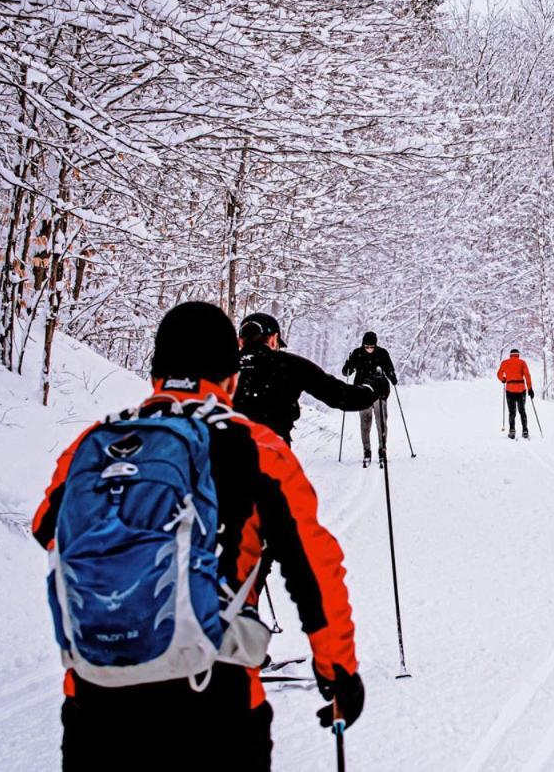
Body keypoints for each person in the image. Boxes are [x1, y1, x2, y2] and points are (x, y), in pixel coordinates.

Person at [32, 302, 365, 771]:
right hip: (214, 698)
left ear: (156, 374)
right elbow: (313, 568)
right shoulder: (257, 447)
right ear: (231, 377)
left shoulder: (97, 441)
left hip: (95, 698)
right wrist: (337, 671)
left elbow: (46, 526)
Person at [234, 312, 380, 445]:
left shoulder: (218, 367)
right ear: (274, 339)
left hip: (221, 454)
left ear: (240, 341)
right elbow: (340, 396)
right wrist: (372, 388)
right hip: (272, 453)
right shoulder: (291, 365)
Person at [342, 331, 398, 468]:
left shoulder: (382, 353)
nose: (369, 349)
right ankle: (366, 451)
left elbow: (389, 368)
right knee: (365, 424)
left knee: (381, 423)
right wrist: (348, 364)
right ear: (363, 345)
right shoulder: (357, 353)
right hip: (362, 393)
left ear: (375, 344)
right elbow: (346, 372)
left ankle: (382, 450)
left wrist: (392, 377)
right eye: (367, 347)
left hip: (380, 393)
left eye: (372, 347)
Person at [497, 348, 534, 439]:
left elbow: (499, 374)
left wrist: (503, 379)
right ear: (518, 355)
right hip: (521, 390)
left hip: (510, 390)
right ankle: (525, 430)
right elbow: (527, 375)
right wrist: (530, 388)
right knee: (522, 411)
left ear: (510, 355)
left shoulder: (505, 363)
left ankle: (512, 430)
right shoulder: (522, 362)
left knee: (512, 412)